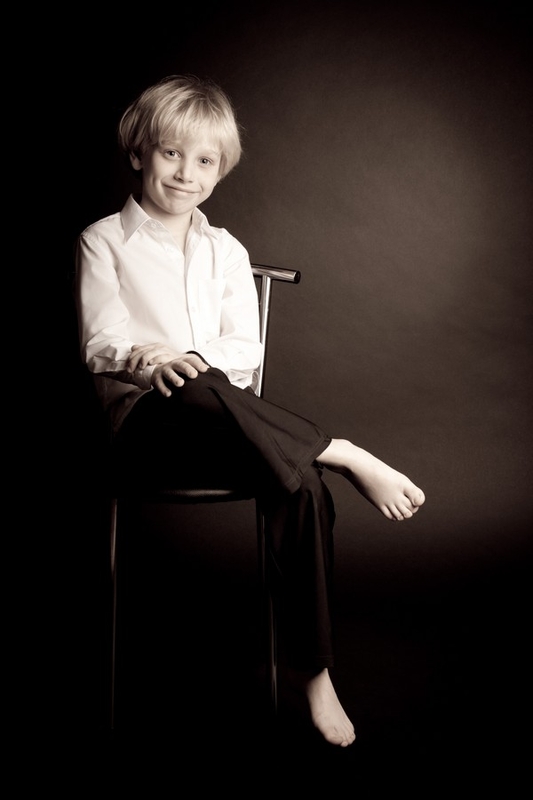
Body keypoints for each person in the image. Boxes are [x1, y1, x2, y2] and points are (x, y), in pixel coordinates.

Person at [75, 74, 425, 748]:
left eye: (205, 160)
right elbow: (98, 341)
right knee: (187, 384)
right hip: (145, 432)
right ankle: (339, 448)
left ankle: (312, 671)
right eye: (172, 153)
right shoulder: (103, 241)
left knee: (299, 483)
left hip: (223, 428)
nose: (187, 173)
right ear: (139, 153)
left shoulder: (226, 250)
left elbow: (244, 349)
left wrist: (192, 362)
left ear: (220, 170)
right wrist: (154, 363)